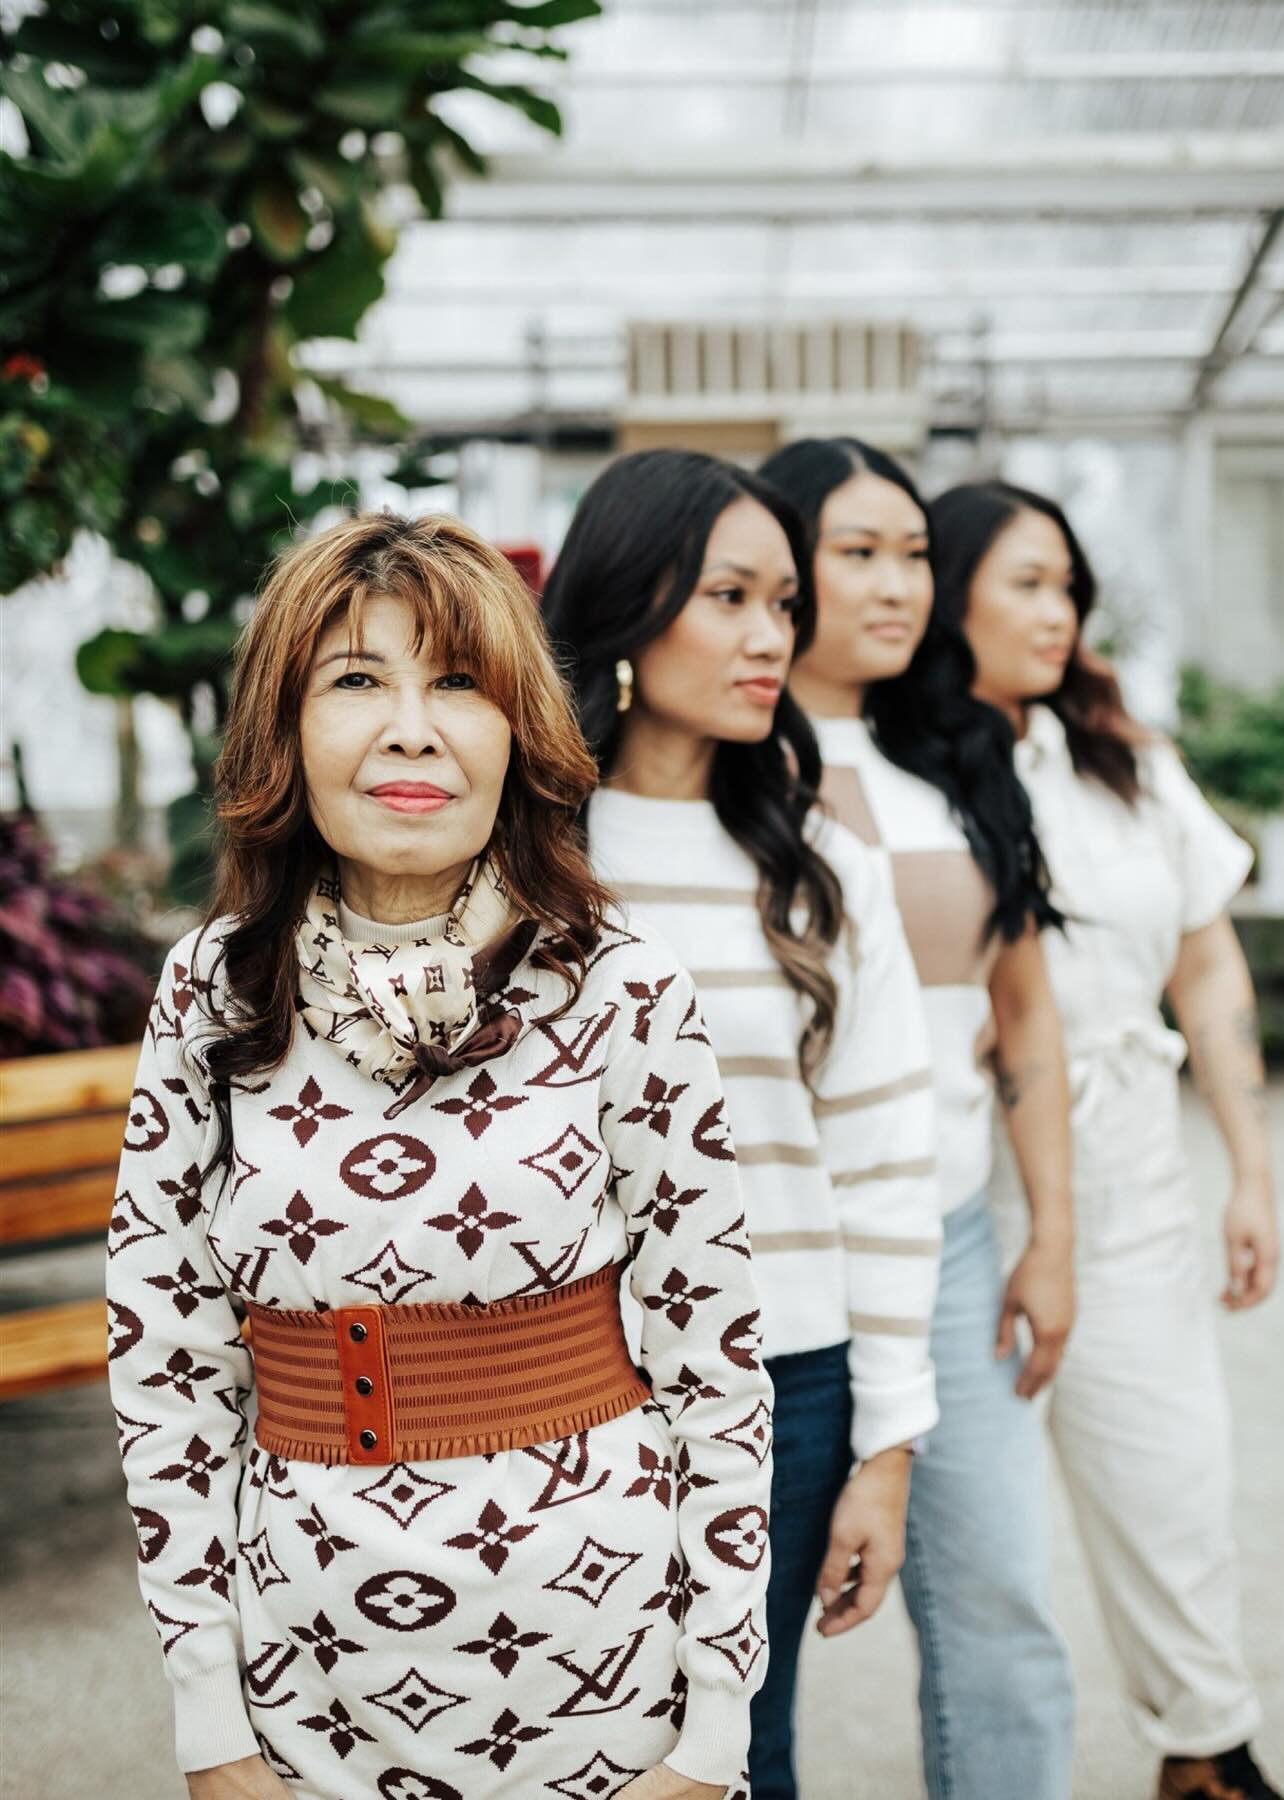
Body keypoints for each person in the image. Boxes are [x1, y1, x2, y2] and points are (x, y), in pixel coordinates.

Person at [107, 511, 774, 1800]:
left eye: (459, 684)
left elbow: (718, 1370)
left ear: (519, 731)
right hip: (302, 1682)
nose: (412, 727)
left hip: (601, 1672)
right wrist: (211, 1722)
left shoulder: (624, 993)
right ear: (282, 732)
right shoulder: (210, 991)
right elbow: (165, 1368)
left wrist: (712, 1734)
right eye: (357, 681)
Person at [542, 449, 941, 1800]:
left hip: (786, 1383)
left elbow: (886, 1171)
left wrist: (883, 1458)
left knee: (738, 1758)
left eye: (783, 601)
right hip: (554, 1391)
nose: (774, 634)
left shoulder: (822, 873)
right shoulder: (526, 865)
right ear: (629, 605)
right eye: (729, 596)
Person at [929, 479, 1284, 1800]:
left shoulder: (1118, 752)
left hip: (1132, 1164)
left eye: (1068, 586)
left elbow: (1207, 966)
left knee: (1173, 1478)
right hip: (965, 1182)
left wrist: (1250, 1172)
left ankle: (1209, 1753)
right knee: (985, 1555)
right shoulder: (903, 768)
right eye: (1024, 581)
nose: (1058, 610)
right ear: (947, 588)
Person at [761, 438, 1077, 1800]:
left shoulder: (958, 763)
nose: (897, 586)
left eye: (913, 556)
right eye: (857, 553)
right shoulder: (710, 771)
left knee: (1005, 1606)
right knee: (737, 1648)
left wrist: (1048, 1231)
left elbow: (1028, 1020)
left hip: (944, 1244)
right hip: (759, 1266)